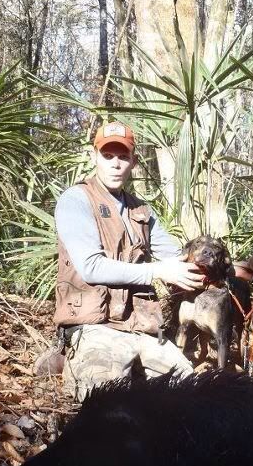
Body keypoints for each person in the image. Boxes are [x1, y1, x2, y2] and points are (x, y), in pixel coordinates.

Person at [53, 120, 204, 400]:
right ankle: (67, 361)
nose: (115, 164)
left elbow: (176, 259)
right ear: (94, 157)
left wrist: (227, 268)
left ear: (133, 162)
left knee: (192, 393)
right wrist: (157, 271)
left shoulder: (142, 211)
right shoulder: (76, 199)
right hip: (95, 328)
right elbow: (91, 267)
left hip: (140, 329)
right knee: (106, 402)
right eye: (107, 155)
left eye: (123, 156)